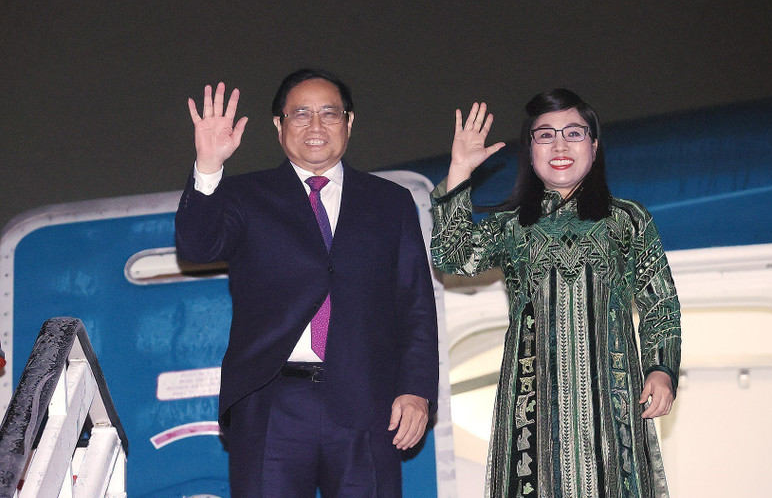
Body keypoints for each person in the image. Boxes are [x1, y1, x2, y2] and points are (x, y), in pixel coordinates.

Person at [175, 68, 438, 497]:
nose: (315, 126)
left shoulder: (389, 201)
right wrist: (209, 164)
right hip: (271, 402)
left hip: (368, 404)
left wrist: (417, 390)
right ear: (279, 126)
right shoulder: (245, 195)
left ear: (349, 123)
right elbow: (198, 246)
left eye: (329, 114)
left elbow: (415, 305)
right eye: (300, 114)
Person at [430, 90, 681, 497]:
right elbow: (453, 256)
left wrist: (662, 369)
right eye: (544, 135)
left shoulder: (627, 219)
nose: (560, 145)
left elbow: (661, 304)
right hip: (532, 406)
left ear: (594, 146)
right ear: (530, 151)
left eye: (573, 133)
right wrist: (460, 168)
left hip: (614, 406)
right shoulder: (512, 225)